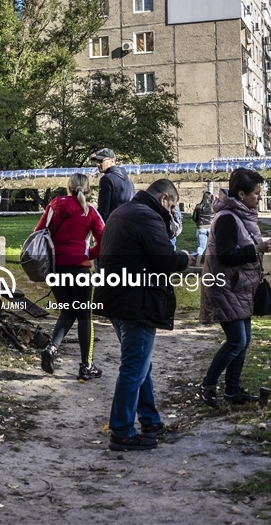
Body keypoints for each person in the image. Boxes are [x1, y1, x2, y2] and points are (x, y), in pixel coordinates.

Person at [94, 178, 190, 451]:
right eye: (173, 208)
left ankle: (150, 420)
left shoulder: (122, 211)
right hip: (136, 301)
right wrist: (186, 257)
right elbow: (167, 260)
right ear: (164, 200)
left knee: (140, 364)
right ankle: (122, 431)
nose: (172, 214)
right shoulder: (147, 217)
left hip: (116, 298)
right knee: (134, 367)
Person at [198, 168, 271, 408]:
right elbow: (225, 255)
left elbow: (244, 245)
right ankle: (207, 385)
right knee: (236, 340)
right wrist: (257, 249)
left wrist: (264, 245)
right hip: (224, 287)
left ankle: (233, 391)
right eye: (256, 193)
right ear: (241, 194)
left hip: (240, 287)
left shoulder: (244, 216)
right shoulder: (226, 218)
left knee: (244, 340)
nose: (259, 198)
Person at [35, 173, 106, 381]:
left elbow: (38, 233)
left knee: (68, 311)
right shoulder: (91, 211)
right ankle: (86, 365)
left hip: (55, 269)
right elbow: (104, 240)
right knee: (84, 315)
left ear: (68, 188)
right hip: (80, 270)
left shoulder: (52, 207)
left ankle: (51, 348)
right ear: (88, 190)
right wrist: (88, 254)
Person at [91, 148, 134, 223]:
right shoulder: (129, 181)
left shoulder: (107, 179)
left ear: (112, 160)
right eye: (97, 161)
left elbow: (103, 211)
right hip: (128, 225)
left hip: (112, 227)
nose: (98, 164)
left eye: (101, 161)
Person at [191, 190, 216, 257]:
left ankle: (198, 259)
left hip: (201, 227)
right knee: (212, 246)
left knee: (201, 247)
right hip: (211, 227)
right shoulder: (213, 206)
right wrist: (214, 200)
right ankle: (211, 260)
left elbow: (194, 217)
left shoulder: (198, 206)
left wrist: (198, 223)